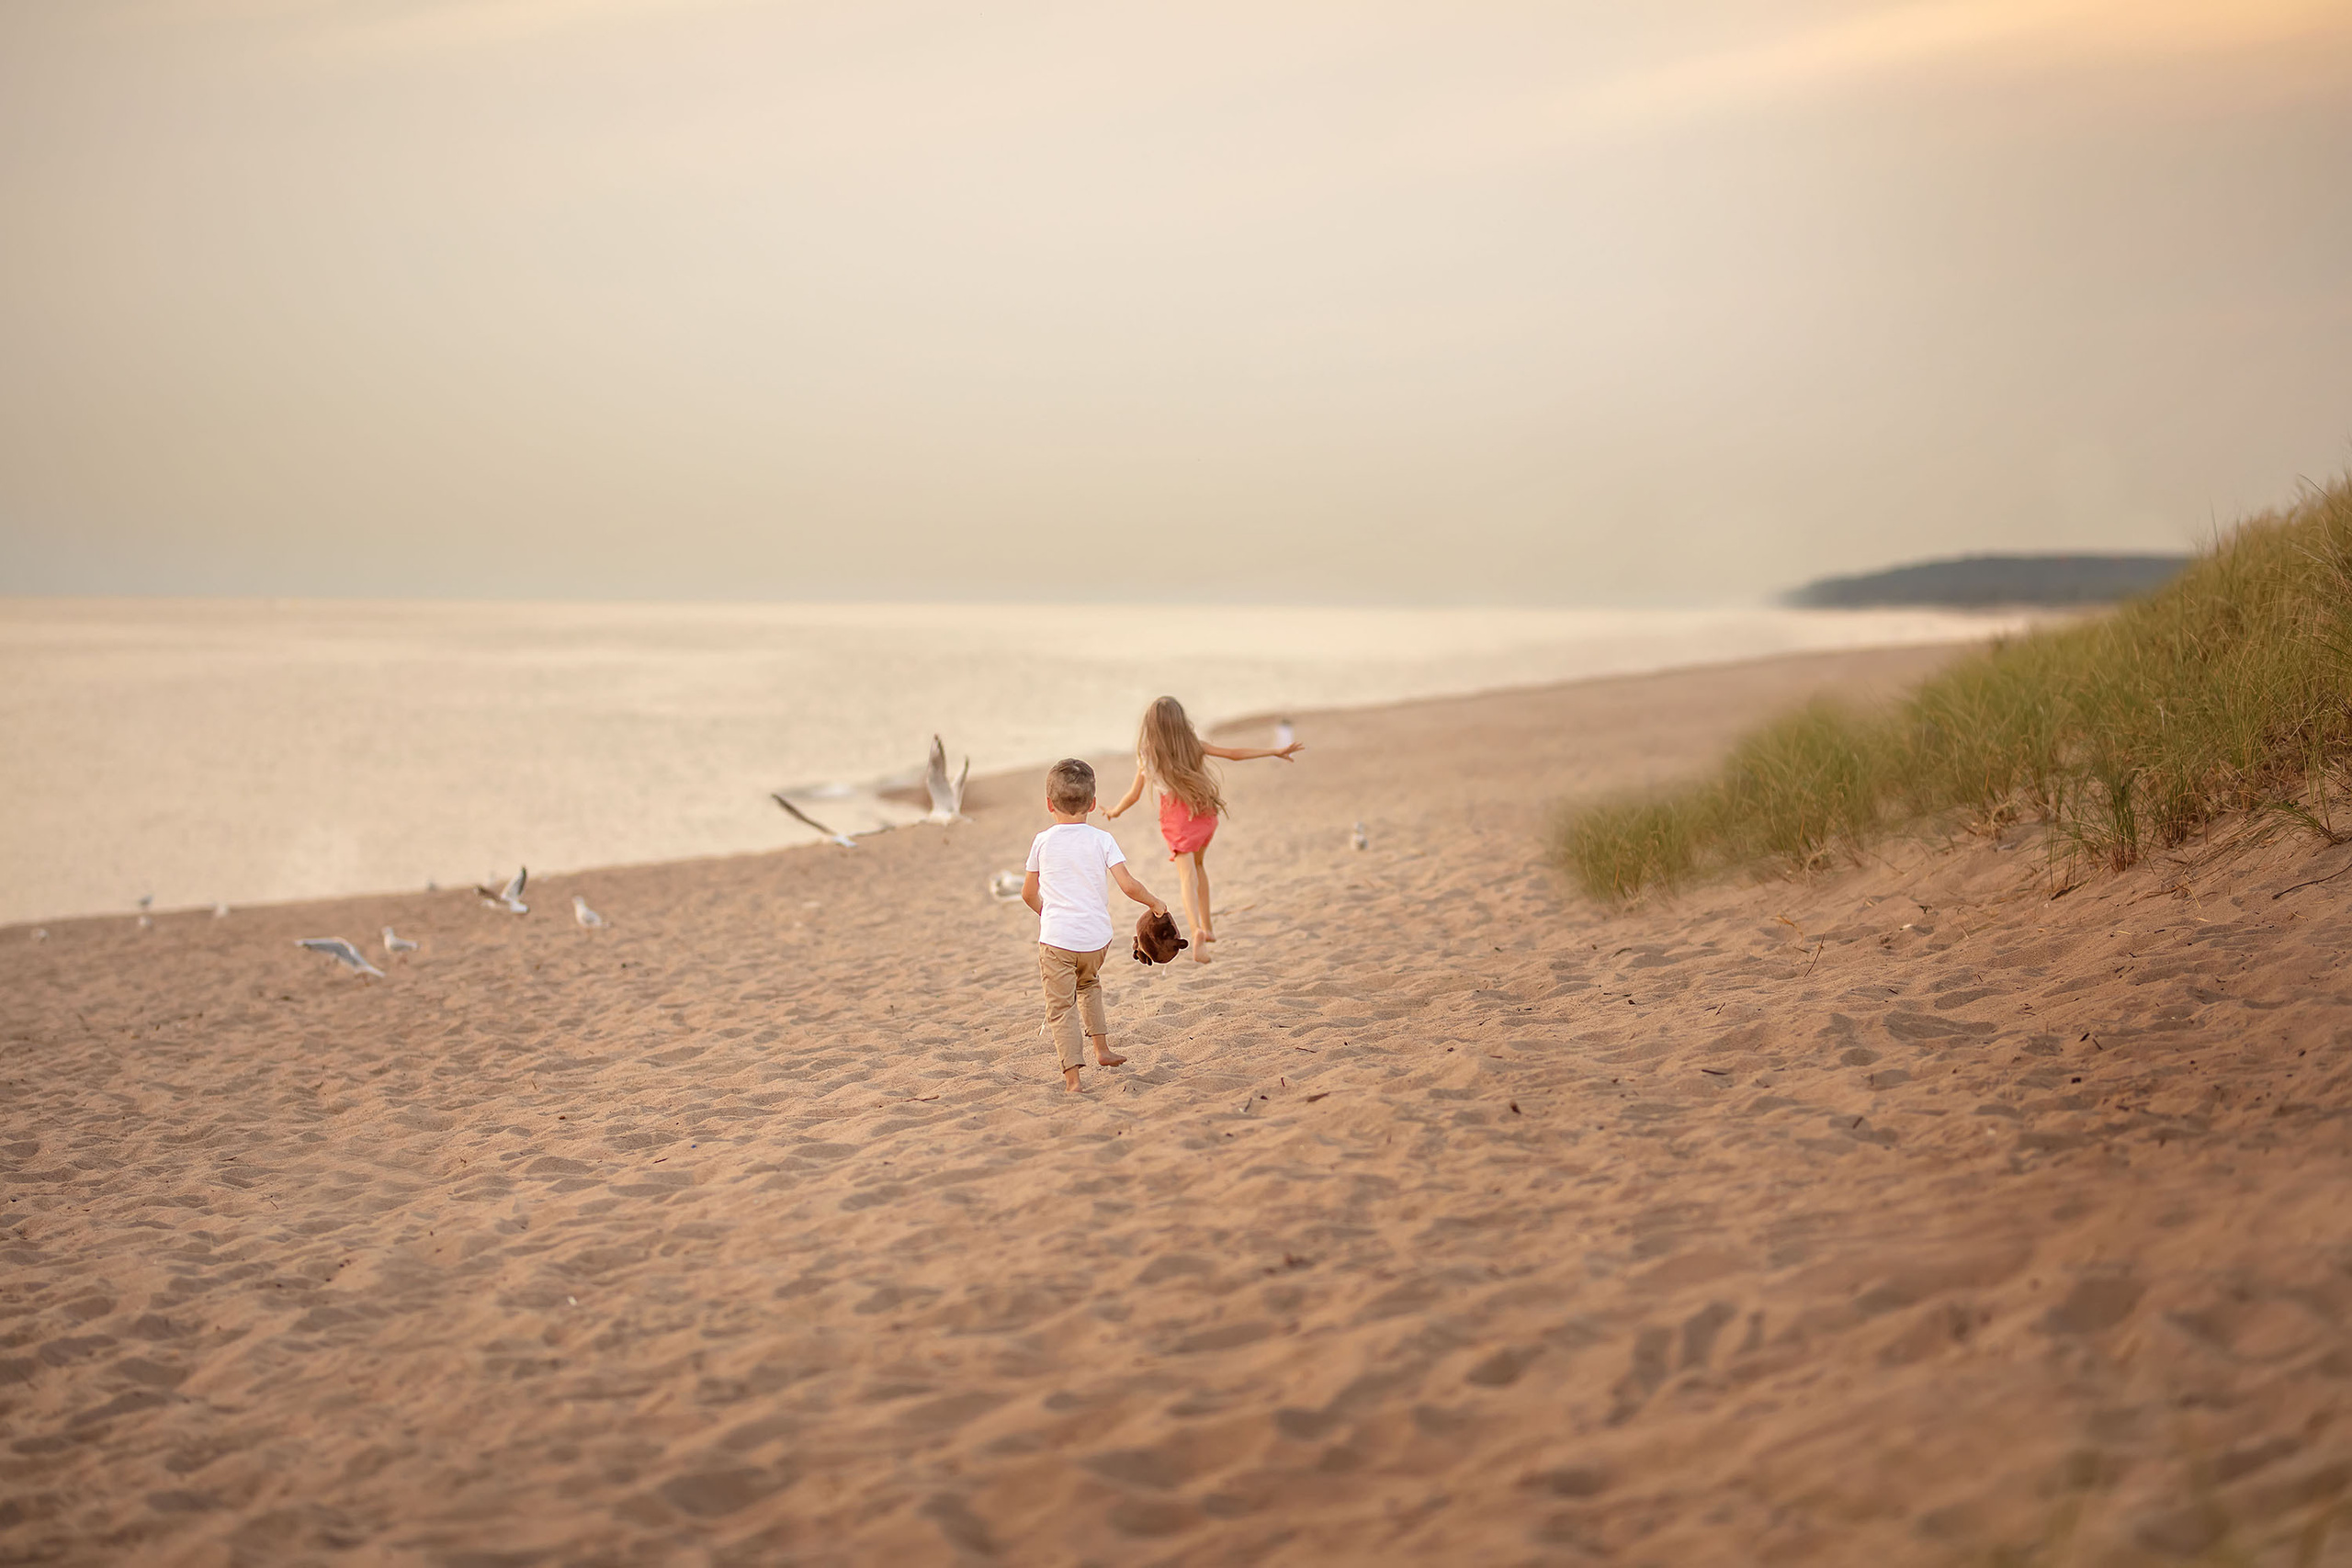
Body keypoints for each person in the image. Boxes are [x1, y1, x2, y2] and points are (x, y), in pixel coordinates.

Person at [1104, 696, 1303, 964]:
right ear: (1180, 722)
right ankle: (1208, 928)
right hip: (1203, 814)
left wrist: (1115, 811)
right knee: (1199, 867)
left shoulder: (1148, 757)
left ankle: (1196, 931)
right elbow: (1234, 754)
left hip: (1178, 822)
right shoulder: (1193, 746)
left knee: (1187, 877)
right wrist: (1273, 751)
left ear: (1150, 727)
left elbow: (1133, 795)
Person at [1023, 758, 1168, 1093]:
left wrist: (1048, 914)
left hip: (1057, 940)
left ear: (1049, 804)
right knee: (1089, 985)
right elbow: (1128, 885)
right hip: (1095, 941)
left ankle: (1073, 1080)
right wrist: (1155, 903)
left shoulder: (1042, 842)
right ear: (1091, 803)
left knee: (1061, 1007)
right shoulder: (1102, 839)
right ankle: (1101, 1050)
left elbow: (1028, 893)